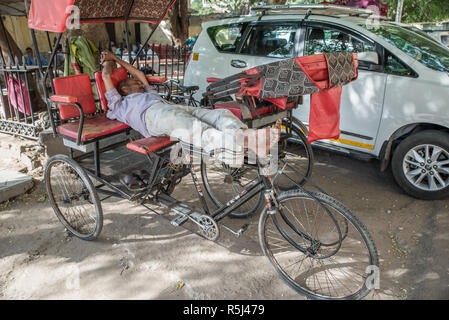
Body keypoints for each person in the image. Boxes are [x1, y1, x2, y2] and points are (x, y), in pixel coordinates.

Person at [100, 50, 280, 161]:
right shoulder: (119, 103)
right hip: (152, 118)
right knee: (194, 127)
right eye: (133, 82)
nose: (139, 83)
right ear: (123, 88)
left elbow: (138, 72)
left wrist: (116, 57)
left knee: (218, 115)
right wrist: (108, 60)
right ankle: (241, 142)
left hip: (170, 108)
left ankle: (245, 135)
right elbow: (106, 76)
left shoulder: (148, 92)